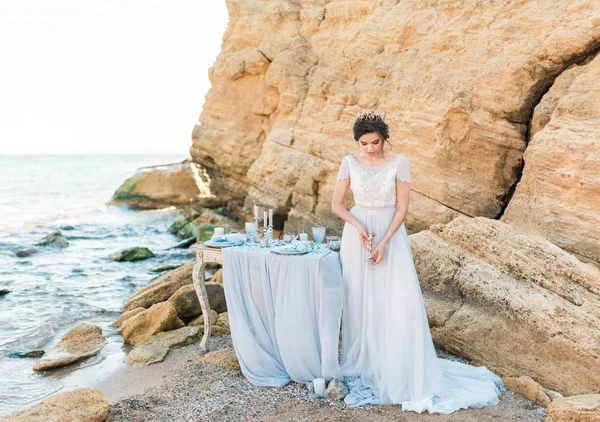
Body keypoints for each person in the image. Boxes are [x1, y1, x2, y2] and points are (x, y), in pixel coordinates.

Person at [330, 109, 504, 414]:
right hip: (356, 234)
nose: (370, 148)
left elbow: (401, 208)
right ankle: (368, 361)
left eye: (374, 142)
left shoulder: (399, 163)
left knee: (397, 299)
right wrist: (357, 226)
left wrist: (383, 241)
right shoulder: (349, 162)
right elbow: (336, 204)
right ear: (357, 142)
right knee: (360, 298)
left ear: (383, 138)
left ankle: (396, 362)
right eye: (364, 143)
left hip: (390, 235)